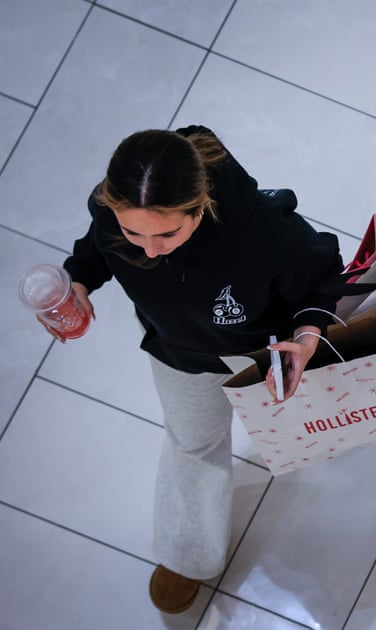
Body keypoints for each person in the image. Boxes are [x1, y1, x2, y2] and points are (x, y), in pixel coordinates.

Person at [49, 125, 345, 613]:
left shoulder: (265, 230)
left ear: (201, 206)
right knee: (192, 444)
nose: (149, 249)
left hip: (265, 353)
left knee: (309, 434)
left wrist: (309, 336)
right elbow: (95, 249)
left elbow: (322, 278)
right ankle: (188, 554)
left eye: (167, 233)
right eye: (133, 233)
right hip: (180, 352)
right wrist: (78, 282)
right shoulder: (109, 213)